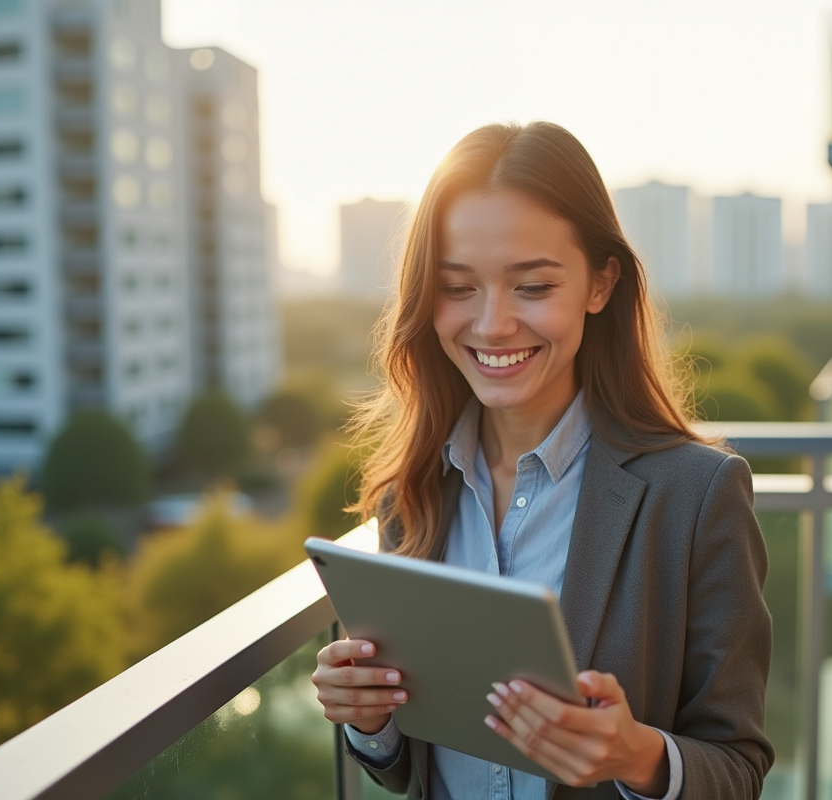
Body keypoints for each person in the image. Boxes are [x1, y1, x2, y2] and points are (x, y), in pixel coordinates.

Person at [311, 121, 773, 799]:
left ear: (600, 283)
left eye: (532, 287)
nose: (493, 323)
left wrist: (635, 755)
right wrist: (369, 721)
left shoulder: (697, 496)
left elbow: (738, 767)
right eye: (459, 287)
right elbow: (412, 764)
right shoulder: (407, 494)